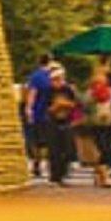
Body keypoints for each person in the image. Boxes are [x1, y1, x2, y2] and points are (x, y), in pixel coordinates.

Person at [22, 54, 75, 183]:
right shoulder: (48, 89)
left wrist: (28, 110)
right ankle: (54, 173)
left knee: (59, 146)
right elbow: (40, 99)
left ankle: (44, 165)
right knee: (52, 146)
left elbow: (75, 104)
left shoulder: (66, 89)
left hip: (58, 119)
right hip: (48, 118)